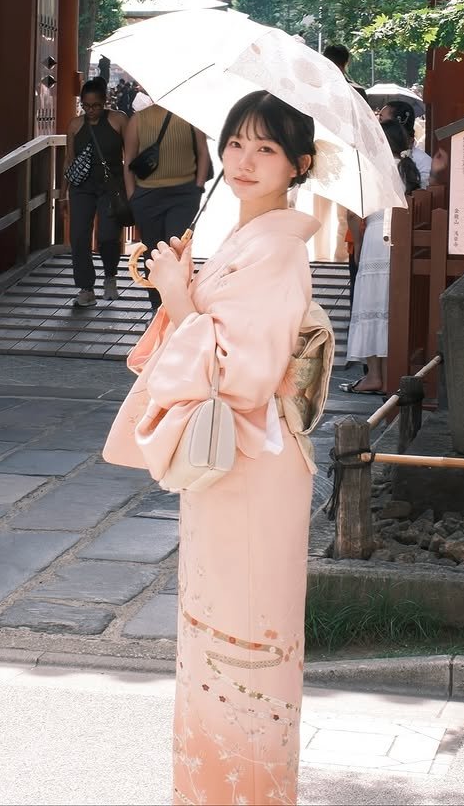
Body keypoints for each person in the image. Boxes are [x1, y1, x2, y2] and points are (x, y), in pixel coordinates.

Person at [103, 91, 322, 806]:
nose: (243, 161)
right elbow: (214, 339)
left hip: (253, 465)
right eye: (234, 144)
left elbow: (242, 374)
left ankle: (242, 792)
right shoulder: (246, 239)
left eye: (265, 149)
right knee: (218, 632)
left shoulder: (280, 251)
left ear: (300, 165)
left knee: (243, 639)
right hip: (235, 464)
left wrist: (180, 297)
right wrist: (182, 284)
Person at [343, 118, 421, 395]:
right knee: (390, 308)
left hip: (376, 237)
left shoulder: (372, 170)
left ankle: (374, 374)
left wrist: (358, 244)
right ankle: (391, 375)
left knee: (370, 304)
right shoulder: (409, 169)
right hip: (400, 239)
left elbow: (354, 213)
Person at [124, 99, 210, 310]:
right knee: (152, 250)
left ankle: (176, 306)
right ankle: (156, 305)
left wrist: (197, 188)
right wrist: (132, 196)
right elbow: (129, 161)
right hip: (147, 195)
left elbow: (202, 154)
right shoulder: (138, 120)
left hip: (183, 195)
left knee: (176, 250)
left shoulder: (190, 117)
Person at [64, 76, 128, 307]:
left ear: (105, 102)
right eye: (86, 106)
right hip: (81, 187)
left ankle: (110, 276)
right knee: (79, 236)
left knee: (108, 235)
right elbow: (69, 161)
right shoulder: (75, 125)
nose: (91, 110)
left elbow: (129, 157)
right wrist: (64, 193)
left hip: (111, 187)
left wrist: (131, 190)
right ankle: (86, 287)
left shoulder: (119, 120)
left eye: (96, 105)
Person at [376, 99, 432, 187]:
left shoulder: (423, 162)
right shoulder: (377, 153)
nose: (376, 123)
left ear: (394, 125)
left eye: (381, 119)